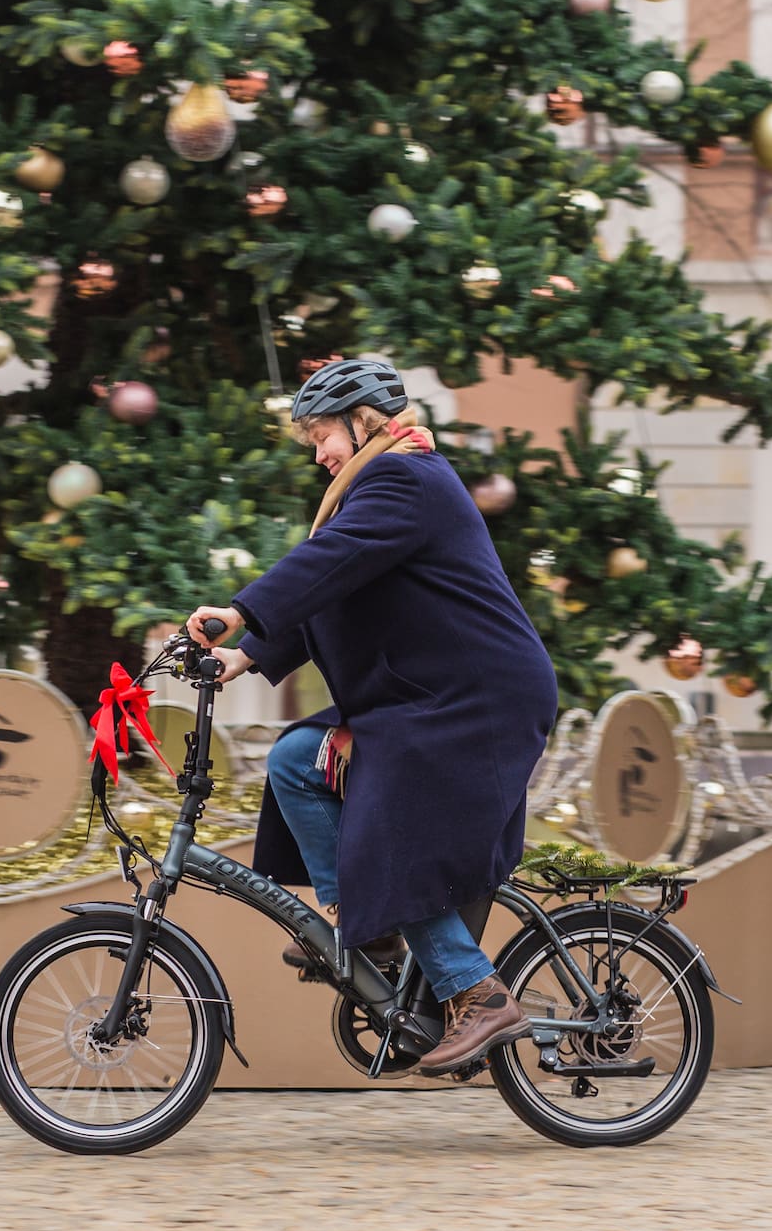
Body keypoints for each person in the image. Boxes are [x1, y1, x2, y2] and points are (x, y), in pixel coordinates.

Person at [186, 358, 559, 1076]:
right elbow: (338, 586)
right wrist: (247, 656)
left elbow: (330, 560)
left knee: (388, 828)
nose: (320, 452)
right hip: (428, 693)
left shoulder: (404, 478)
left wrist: (239, 611)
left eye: (323, 434)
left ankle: (475, 992)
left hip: (474, 697)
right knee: (297, 759)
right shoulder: (379, 485)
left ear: (366, 419)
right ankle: (372, 926)